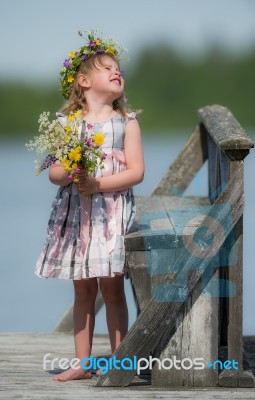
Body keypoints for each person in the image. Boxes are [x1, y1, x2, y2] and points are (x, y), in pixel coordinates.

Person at [35, 30, 144, 381]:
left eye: (119, 68)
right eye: (107, 67)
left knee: (112, 286)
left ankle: (120, 361)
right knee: (83, 287)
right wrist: (70, 169)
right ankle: (82, 363)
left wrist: (97, 184)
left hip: (111, 215)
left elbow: (137, 172)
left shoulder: (127, 122)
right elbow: (53, 173)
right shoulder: (67, 124)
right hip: (77, 219)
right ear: (83, 81)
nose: (117, 72)